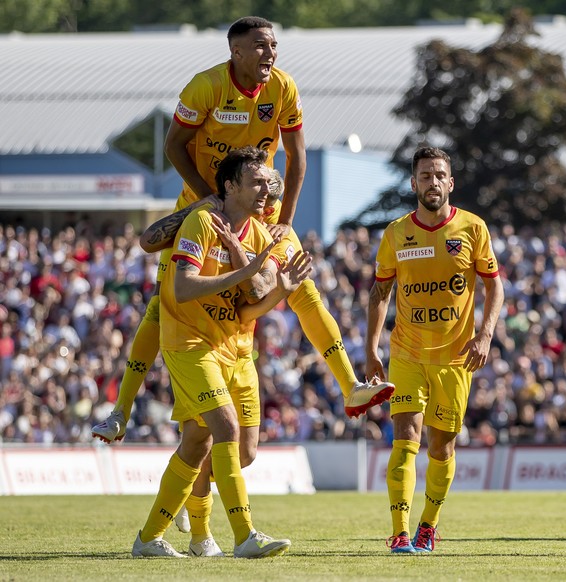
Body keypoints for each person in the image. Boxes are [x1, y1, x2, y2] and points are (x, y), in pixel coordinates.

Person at [92, 15, 392, 445]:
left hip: (259, 211)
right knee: (162, 307)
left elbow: (297, 157)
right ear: (235, 51)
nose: (269, 53)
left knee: (302, 288)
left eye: (273, 45)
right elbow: (173, 145)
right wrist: (206, 197)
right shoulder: (206, 86)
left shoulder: (283, 88)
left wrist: (285, 219)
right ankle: (121, 410)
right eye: (259, 46)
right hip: (203, 207)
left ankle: (350, 386)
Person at [132, 146, 306, 558]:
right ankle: (244, 536)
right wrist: (244, 271)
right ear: (229, 186)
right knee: (225, 429)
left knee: (209, 446)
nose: (266, 190)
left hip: (231, 347)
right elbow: (183, 287)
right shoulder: (201, 222)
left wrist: (280, 289)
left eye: (268, 182)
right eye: (256, 182)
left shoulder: (260, 233)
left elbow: (255, 298)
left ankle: (149, 539)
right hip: (188, 344)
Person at [366, 147, 504, 553]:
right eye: (425, 176)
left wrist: (486, 334)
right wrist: (372, 348)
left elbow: (495, 285)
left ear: (451, 182)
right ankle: (399, 533)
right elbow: (379, 292)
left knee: (442, 446)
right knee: (405, 438)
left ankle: (429, 525)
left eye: (439, 175)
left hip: (455, 358)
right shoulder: (395, 234)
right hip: (407, 353)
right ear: (413, 183)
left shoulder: (473, 229)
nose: (432, 182)